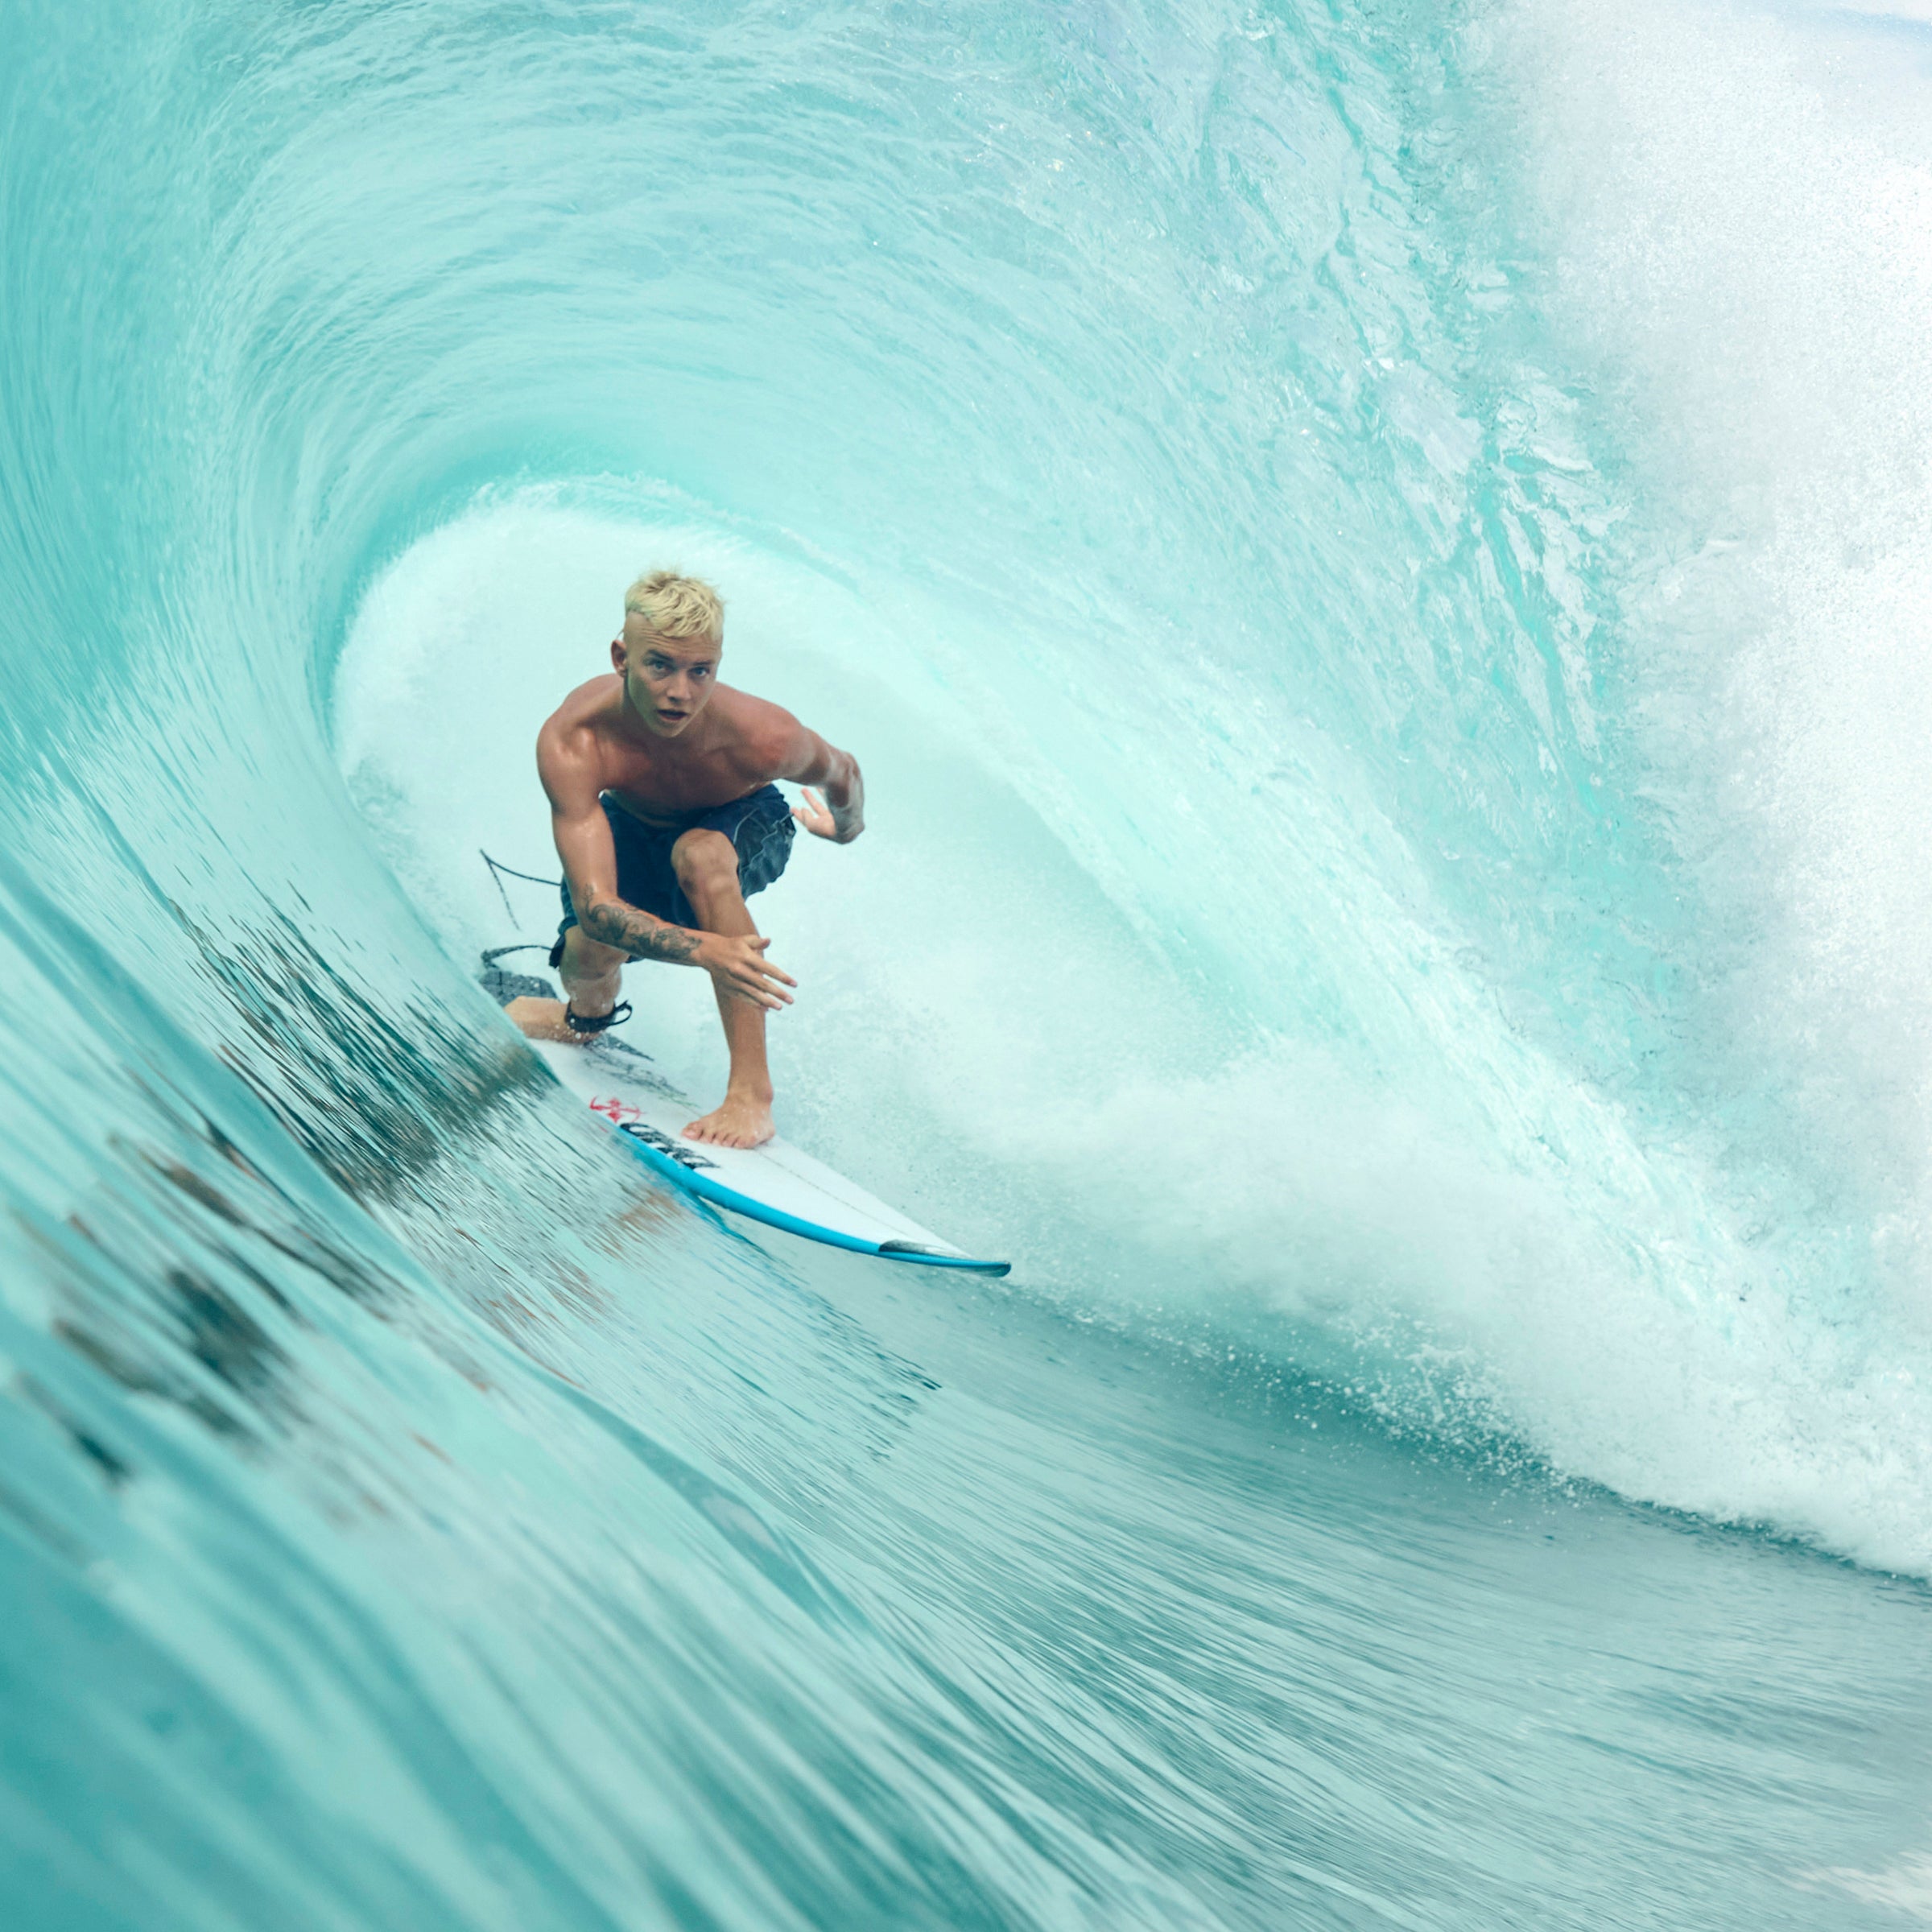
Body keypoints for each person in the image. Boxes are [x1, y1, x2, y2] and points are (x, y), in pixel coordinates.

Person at [504, 569, 863, 1149]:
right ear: (622, 658)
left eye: (701, 671)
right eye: (660, 666)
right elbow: (597, 907)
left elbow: (843, 771)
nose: (681, 692)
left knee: (700, 856)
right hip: (635, 825)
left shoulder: (763, 737)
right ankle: (584, 1022)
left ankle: (751, 1095)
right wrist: (705, 951)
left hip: (744, 820)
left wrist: (846, 829)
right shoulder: (576, 741)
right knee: (588, 948)